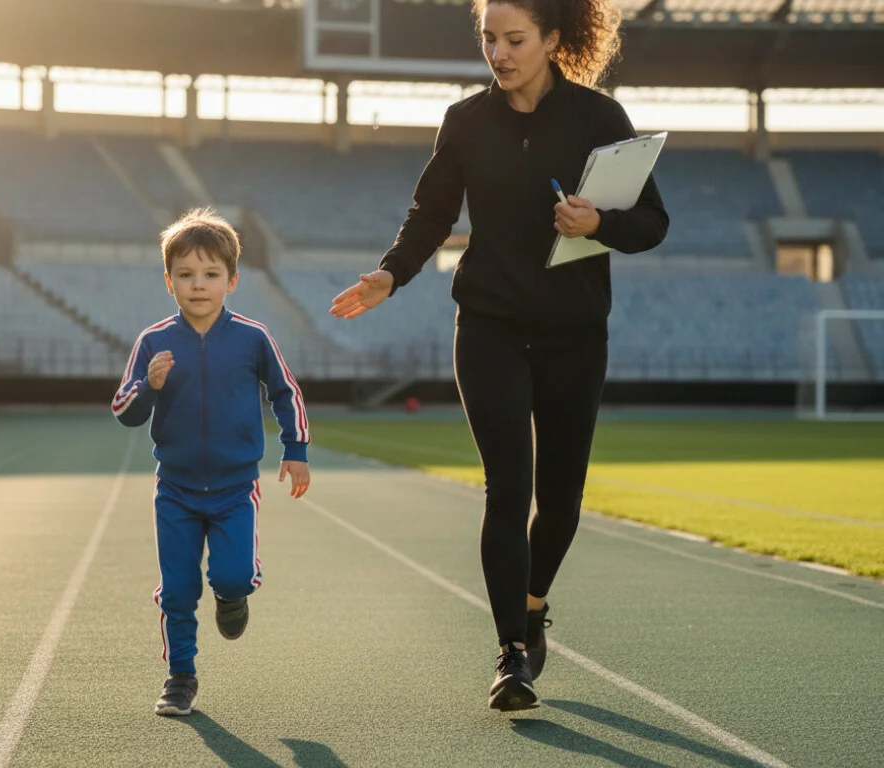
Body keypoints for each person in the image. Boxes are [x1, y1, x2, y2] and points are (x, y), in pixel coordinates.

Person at [330, 0, 668, 711]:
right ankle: (512, 652)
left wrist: (598, 222)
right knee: (507, 488)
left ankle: (535, 602)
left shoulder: (600, 120)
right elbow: (430, 214)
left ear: (552, 39)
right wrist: (392, 272)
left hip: (575, 332)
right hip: (487, 326)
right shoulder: (466, 122)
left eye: (515, 39)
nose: (500, 53)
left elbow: (652, 223)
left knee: (562, 501)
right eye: (489, 38)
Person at [113, 208, 311, 717]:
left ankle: (235, 594)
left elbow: (286, 391)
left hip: (234, 489)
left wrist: (295, 450)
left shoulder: (252, 337)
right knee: (178, 590)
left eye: (210, 274)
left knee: (232, 576)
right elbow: (124, 413)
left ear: (232, 280)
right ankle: (181, 677)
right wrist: (149, 388)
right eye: (185, 274)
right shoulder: (154, 342)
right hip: (175, 490)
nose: (198, 285)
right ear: (168, 281)